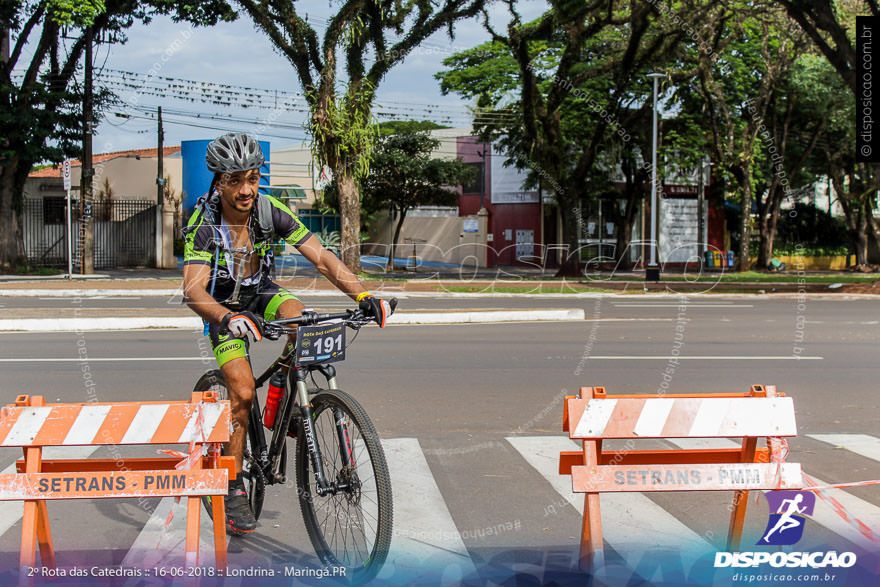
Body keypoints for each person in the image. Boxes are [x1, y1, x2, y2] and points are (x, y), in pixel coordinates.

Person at [182, 132, 393, 535]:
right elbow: (193, 290)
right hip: (223, 307)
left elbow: (322, 257)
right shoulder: (203, 223)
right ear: (218, 181)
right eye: (235, 180)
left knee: (303, 318)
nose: (246, 189)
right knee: (242, 391)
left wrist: (365, 295)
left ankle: (283, 398)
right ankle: (231, 484)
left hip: (261, 294)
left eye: (253, 177)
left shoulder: (269, 208)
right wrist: (227, 318)